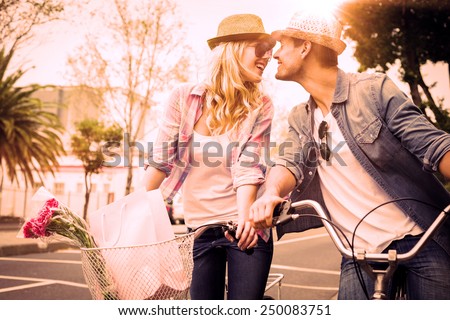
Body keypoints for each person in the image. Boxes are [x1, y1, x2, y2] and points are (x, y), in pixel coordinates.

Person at [250, 10, 450, 299]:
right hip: (357, 253)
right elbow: (289, 161)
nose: (276, 55)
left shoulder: (373, 91)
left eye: (283, 45)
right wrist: (271, 193)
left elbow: (434, 146)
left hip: (422, 238)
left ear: (305, 47)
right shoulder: (301, 118)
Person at [143, 13, 275, 300]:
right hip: (198, 230)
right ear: (234, 49)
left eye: (270, 50)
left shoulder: (261, 105)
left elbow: (248, 165)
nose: (267, 56)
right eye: (260, 48)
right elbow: (160, 161)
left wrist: (245, 223)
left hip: (245, 226)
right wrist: (131, 215)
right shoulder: (184, 98)